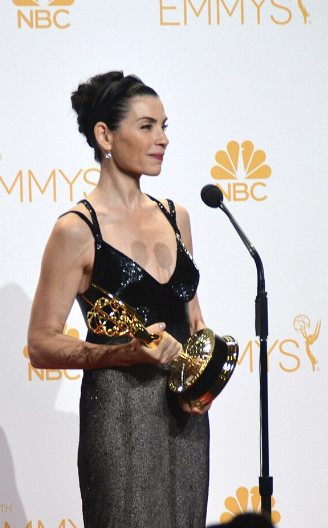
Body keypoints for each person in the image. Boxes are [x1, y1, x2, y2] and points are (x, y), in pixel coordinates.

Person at [27, 71, 210, 528]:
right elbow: (41, 344)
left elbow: (194, 319)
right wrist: (124, 353)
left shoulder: (177, 217)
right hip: (120, 414)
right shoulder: (76, 229)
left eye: (165, 126)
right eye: (147, 126)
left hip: (185, 414)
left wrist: (204, 377)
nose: (162, 139)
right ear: (105, 135)